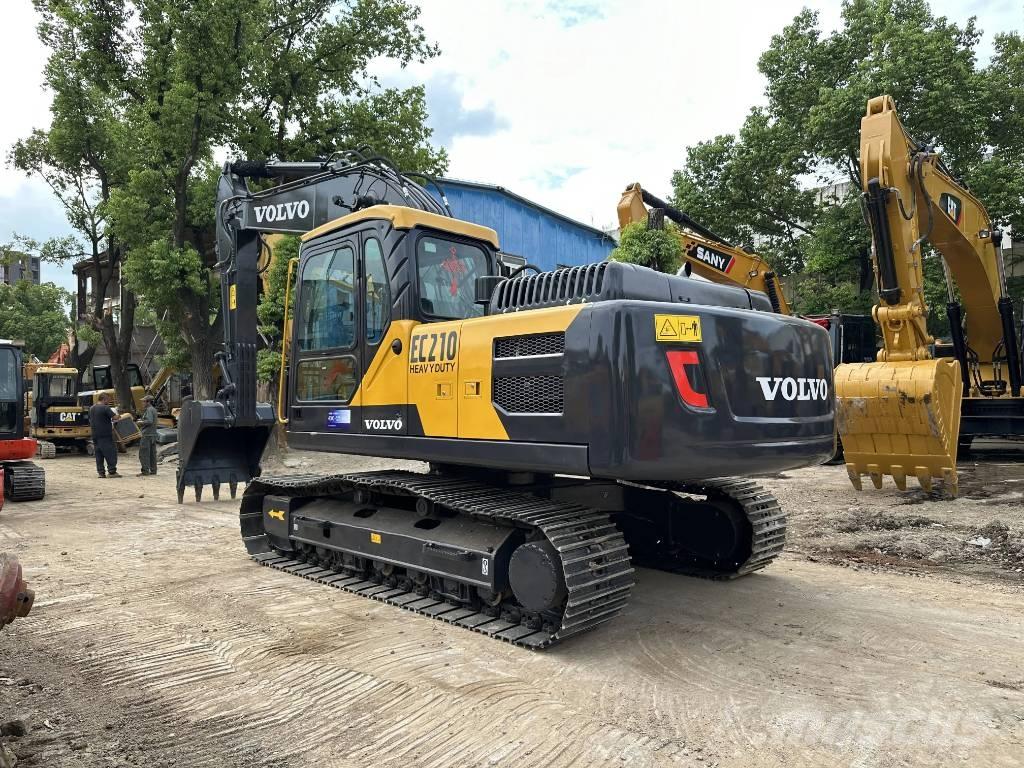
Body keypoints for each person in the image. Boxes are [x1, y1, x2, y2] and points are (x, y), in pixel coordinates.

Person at [89, 392, 121, 478]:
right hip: (105, 434)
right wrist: (119, 415)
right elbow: (114, 418)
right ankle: (112, 472)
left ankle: (101, 473)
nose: (109, 401)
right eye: (108, 400)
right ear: (104, 399)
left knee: (98, 453)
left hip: (95, 434)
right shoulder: (105, 408)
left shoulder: (92, 408)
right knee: (110, 452)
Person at [137, 394, 159, 476]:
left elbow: (149, 421)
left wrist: (140, 422)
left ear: (148, 402)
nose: (142, 403)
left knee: (144, 453)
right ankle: (153, 470)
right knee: (152, 454)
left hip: (147, 435)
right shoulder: (153, 410)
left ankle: (145, 471)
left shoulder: (149, 410)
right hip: (152, 434)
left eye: (143, 401)